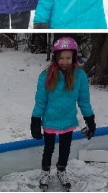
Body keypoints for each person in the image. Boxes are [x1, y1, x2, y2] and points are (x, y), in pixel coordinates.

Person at [31, 37, 96, 191]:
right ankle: (45, 171)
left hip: (68, 121)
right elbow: (40, 101)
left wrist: (90, 120)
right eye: (61, 58)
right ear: (55, 57)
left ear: (74, 57)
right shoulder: (46, 75)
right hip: (49, 121)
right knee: (48, 149)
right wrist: (35, 120)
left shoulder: (79, 76)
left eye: (68, 58)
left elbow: (84, 101)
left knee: (65, 149)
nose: (65, 61)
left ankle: (61, 170)